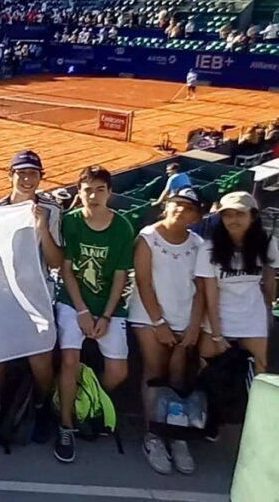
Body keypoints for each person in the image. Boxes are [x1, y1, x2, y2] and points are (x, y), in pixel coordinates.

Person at [55, 166, 135, 464]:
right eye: (88, 190)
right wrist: (84, 311)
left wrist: (105, 316)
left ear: (110, 193)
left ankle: (87, 401)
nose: (94, 195)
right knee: (69, 361)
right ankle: (66, 424)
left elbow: (119, 276)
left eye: (100, 189)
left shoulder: (123, 227)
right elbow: (66, 270)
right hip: (73, 302)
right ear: (80, 193)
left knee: (119, 371)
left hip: (110, 309)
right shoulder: (71, 222)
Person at [0, 150, 62, 446]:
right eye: (22, 173)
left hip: (37, 297)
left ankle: (41, 408)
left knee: (41, 361)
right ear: (11, 176)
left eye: (33, 173)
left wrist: (42, 226)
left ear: (40, 177)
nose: (27, 179)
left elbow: (55, 262)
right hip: (3, 296)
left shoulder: (52, 211)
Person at [127, 187, 204, 475]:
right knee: (155, 372)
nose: (181, 210)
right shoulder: (148, 238)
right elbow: (144, 283)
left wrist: (195, 325)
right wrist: (159, 323)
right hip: (149, 317)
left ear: (197, 216)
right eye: (176, 204)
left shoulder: (198, 244)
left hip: (185, 320)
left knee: (179, 375)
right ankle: (154, 435)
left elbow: (200, 290)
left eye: (188, 207)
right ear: (167, 207)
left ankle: (177, 435)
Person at [196, 192, 277, 376]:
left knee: (261, 368)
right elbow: (211, 293)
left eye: (240, 214)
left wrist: (268, 311)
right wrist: (217, 335)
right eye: (228, 215)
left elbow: (270, 281)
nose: (233, 220)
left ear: (253, 215)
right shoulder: (208, 248)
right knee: (206, 368)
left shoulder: (268, 243)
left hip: (252, 317)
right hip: (218, 318)